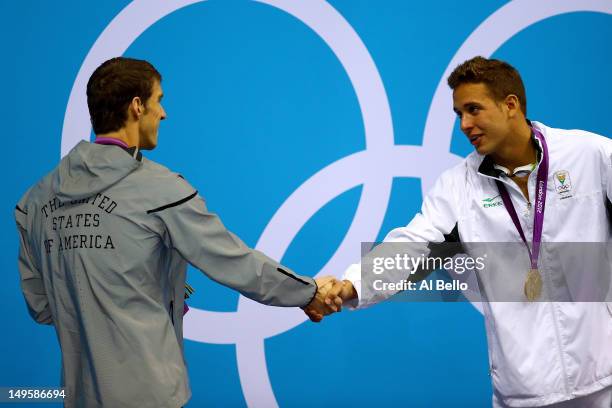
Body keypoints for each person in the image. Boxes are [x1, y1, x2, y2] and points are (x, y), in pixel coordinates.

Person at [15, 57, 335, 408]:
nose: (163, 114)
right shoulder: (161, 190)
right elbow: (235, 263)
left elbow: (42, 306)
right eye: (159, 100)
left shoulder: (35, 201)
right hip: (150, 393)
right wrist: (308, 292)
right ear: (137, 107)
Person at [319, 56, 612, 407]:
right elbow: (411, 248)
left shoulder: (591, 155)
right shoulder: (458, 187)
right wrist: (352, 284)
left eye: (473, 109)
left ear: (510, 105)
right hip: (526, 389)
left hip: (606, 377)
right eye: (459, 114)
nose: (464, 124)